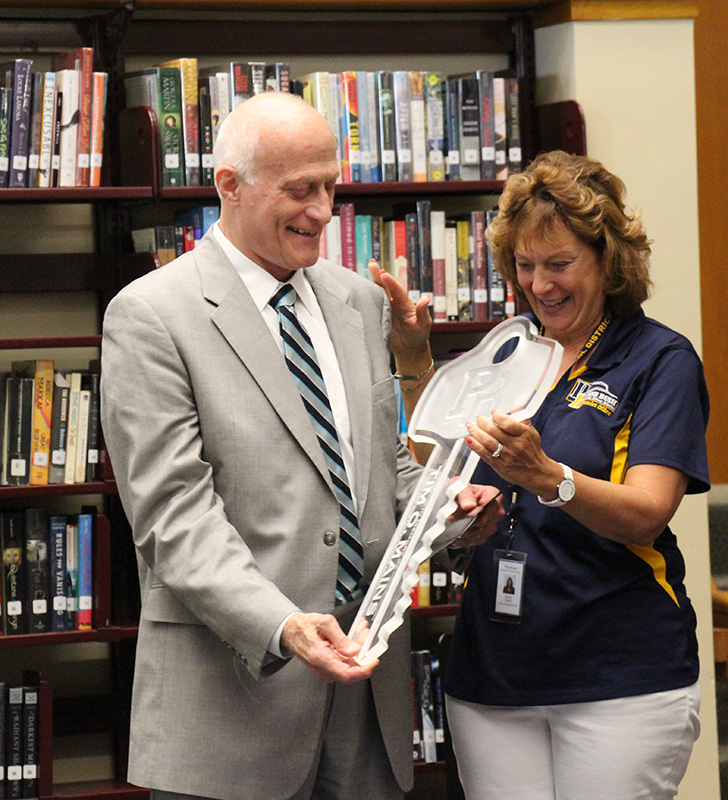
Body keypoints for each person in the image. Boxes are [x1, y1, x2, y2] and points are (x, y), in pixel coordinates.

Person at [100, 91, 500, 800]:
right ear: (230, 185)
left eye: (330, 186)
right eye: (299, 190)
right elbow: (173, 520)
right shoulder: (153, 316)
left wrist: (452, 513)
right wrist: (283, 626)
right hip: (233, 699)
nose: (323, 211)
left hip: (364, 700)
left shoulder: (359, 302)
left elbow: (384, 475)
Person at [373, 150, 710, 800]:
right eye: (525, 266)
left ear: (609, 263)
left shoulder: (657, 358)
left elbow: (647, 510)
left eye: (559, 264)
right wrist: (413, 354)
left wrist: (548, 477)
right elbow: (432, 457)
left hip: (619, 674)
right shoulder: (510, 348)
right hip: (493, 676)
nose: (541, 285)